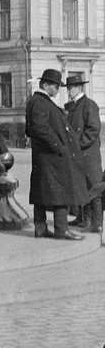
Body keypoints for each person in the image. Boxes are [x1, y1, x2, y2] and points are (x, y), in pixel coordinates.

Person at [25, 68, 86, 240]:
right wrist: (59, 147)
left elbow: (29, 130)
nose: (58, 89)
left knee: (41, 191)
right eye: (56, 86)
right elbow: (40, 128)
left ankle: (41, 228)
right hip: (52, 157)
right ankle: (61, 229)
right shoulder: (41, 102)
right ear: (46, 85)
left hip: (43, 156)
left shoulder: (36, 101)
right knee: (61, 191)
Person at [64, 75, 102, 233]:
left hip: (88, 154)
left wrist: (78, 146)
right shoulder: (74, 106)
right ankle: (83, 218)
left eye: (70, 88)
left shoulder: (89, 105)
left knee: (94, 188)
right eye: (67, 88)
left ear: (79, 88)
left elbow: (93, 129)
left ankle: (96, 223)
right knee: (81, 188)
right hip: (79, 154)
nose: (68, 91)